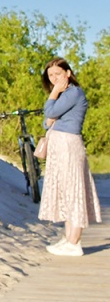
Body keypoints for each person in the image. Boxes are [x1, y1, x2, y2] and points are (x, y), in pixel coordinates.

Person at [39, 57, 101, 256]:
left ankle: (74, 242)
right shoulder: (65, 95)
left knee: (73, 191)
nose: (54, 78)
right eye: (50, 75)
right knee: (66, 192)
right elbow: (46, 122)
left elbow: (50, 111)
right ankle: (69, 238)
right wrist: (52, 113)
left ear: (68, 73)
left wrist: (54, 93)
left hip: (68, 145)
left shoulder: (73, 92)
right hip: (60, 145)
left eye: (58, 73)